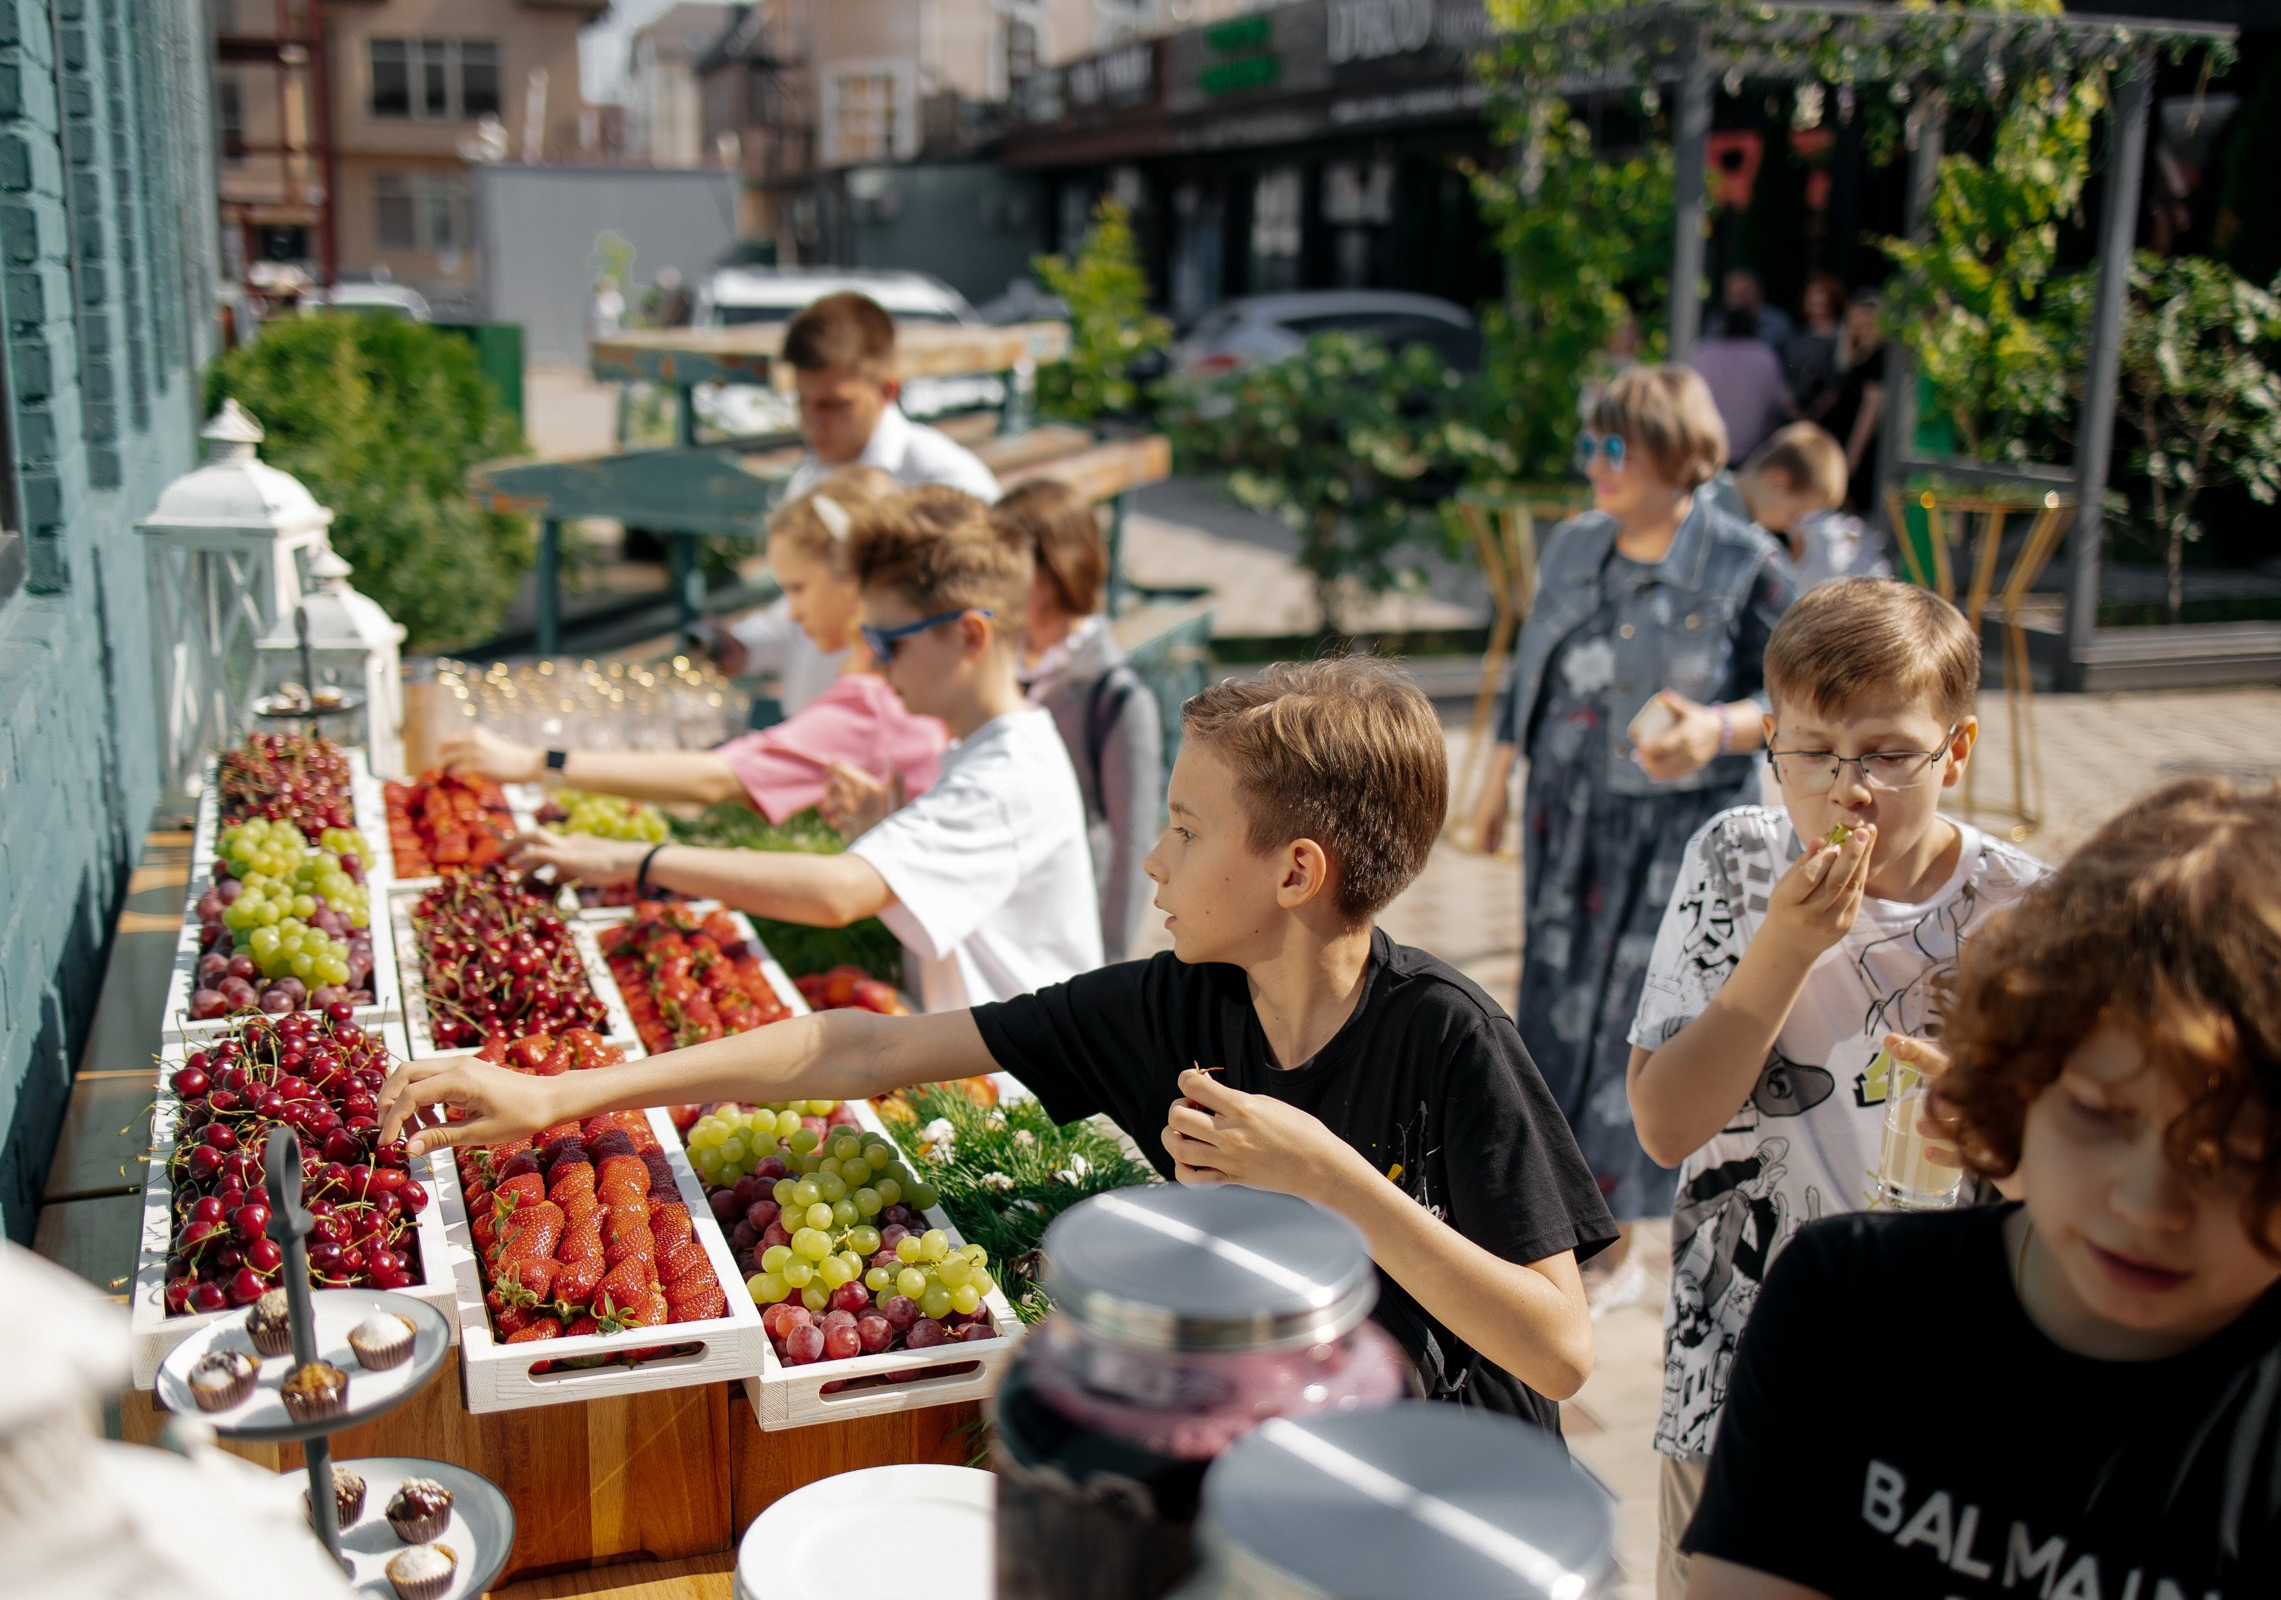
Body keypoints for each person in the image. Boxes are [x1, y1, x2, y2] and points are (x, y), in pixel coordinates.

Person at [384, 657, 1621, 1430]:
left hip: (1451, 1498)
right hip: (1282, 1462)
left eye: (1186, 831)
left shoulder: (1449, 1036)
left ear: (1298, 870)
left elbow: (1559, 1350)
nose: (1150, 862)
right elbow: (856, 1053)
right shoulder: (1171, 1005)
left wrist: (1324, 1176)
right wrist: (560, 1094)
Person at [1679, 776, 2281, 1598]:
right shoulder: (1847, 1302)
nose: (2149, 1207)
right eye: (2102, 1116)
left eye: (2233, 1159)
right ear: (2023, 1076)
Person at [1624, 578, 2050, 1600]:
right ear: (1770, 740)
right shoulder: (1735, 860)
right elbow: (1664, 1125)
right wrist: (1784, 947)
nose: (1846, 787)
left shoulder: (2020, 907)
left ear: (1957, 748)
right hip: (1732, 1366)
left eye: (1888, 752)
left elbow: (2058, 1187)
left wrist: (1988, 1121)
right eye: (1811, 751)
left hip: (1937, 1393)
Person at [511, 485, 1099, 1013]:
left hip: (1024, 1102)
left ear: (970, 635)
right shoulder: (986, 748)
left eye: (886, 641)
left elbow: (836, 893)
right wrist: (887, 834)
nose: (872, 659)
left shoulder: (1005, 774)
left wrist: (633, 859)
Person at [1468, 365, 1792, 1312]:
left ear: (1676, 454)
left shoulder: (1745, 563)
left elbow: (1804, 696)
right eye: (1592, 446)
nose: (1597, 466)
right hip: (1565, 820)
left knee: (1637, 1018)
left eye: (1618, 447)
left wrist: (1717, 730)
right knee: (1552, 1015)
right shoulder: (1575, 546)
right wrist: (1494, 783)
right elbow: (1533, 670)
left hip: (1671, 833)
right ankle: (1545, 1216)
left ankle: (1612, 1243)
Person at [439, 469, 948, 823]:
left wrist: (537, 761)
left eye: (798, 589)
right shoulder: (893, 683)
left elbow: (719, 777)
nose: (791, 612)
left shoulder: (876, 700)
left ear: (853, 581)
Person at [726, 292, 1003, 715]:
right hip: (820, 734)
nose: (814, 423)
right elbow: (810, 603)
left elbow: (979, 633)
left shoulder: (948, 485)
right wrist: (746, 645)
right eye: (803, 403)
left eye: (834, 404)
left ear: (888, 388)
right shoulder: (811, 476)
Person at [996, 480, 1163, 964]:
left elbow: (1133, 844)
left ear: (1056, 566)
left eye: (1010, 562)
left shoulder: (1116, 696)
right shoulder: (1000, 659)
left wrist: (1107, 967)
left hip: (1068, 930)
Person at [1738, 424, 1891, 591]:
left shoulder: (1751, 533)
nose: (1790, 525)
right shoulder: (1739, 537)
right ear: (1778, 480)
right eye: (1793, 515)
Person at [1693, 304, 1795, 469]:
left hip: (1708, 448)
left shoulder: (1702, 352)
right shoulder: (1764, 355)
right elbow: (1782, 401)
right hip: (1752, 452)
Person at [1816, 289, 1887, 515]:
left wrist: (1851, 457)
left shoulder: (1878, 357)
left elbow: (1871, 409)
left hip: (1859, 451)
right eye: (1855, 319)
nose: (1860, 325)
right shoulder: (1856, 355)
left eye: (1867, 320)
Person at [1781, 272, 1844, 419]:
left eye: (1823, 302)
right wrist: (1793, 411)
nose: (1818, 305)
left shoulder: (1841, 337)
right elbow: (1786, 377)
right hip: (1795, 413)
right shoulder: (1798, 336)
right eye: (1813, 300)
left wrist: (1814, 413)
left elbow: (1838, 383)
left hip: (1828, 416)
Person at [1702, 269, 1795, 355]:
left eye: (1744, 292)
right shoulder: (1717, 320)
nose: (1738, 300)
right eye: (1733, 294)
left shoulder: (1777, 322)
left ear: (1759, 292)